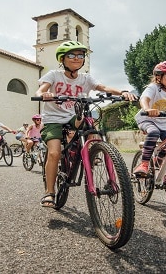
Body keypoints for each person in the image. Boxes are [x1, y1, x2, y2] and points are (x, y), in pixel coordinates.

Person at [35, 41, 137, 208]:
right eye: (71, 55)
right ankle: (49, 192)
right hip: (53, 119)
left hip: (73, 116)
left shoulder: (86, 78)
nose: (77, 58)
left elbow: (102, 87)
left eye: (80, 56)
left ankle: (93, 151)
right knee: (54, 153)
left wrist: (123, 91)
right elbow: (40, 90)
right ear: (62, 59)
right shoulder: (54, 75)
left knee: (89, 120)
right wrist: (44, 94)